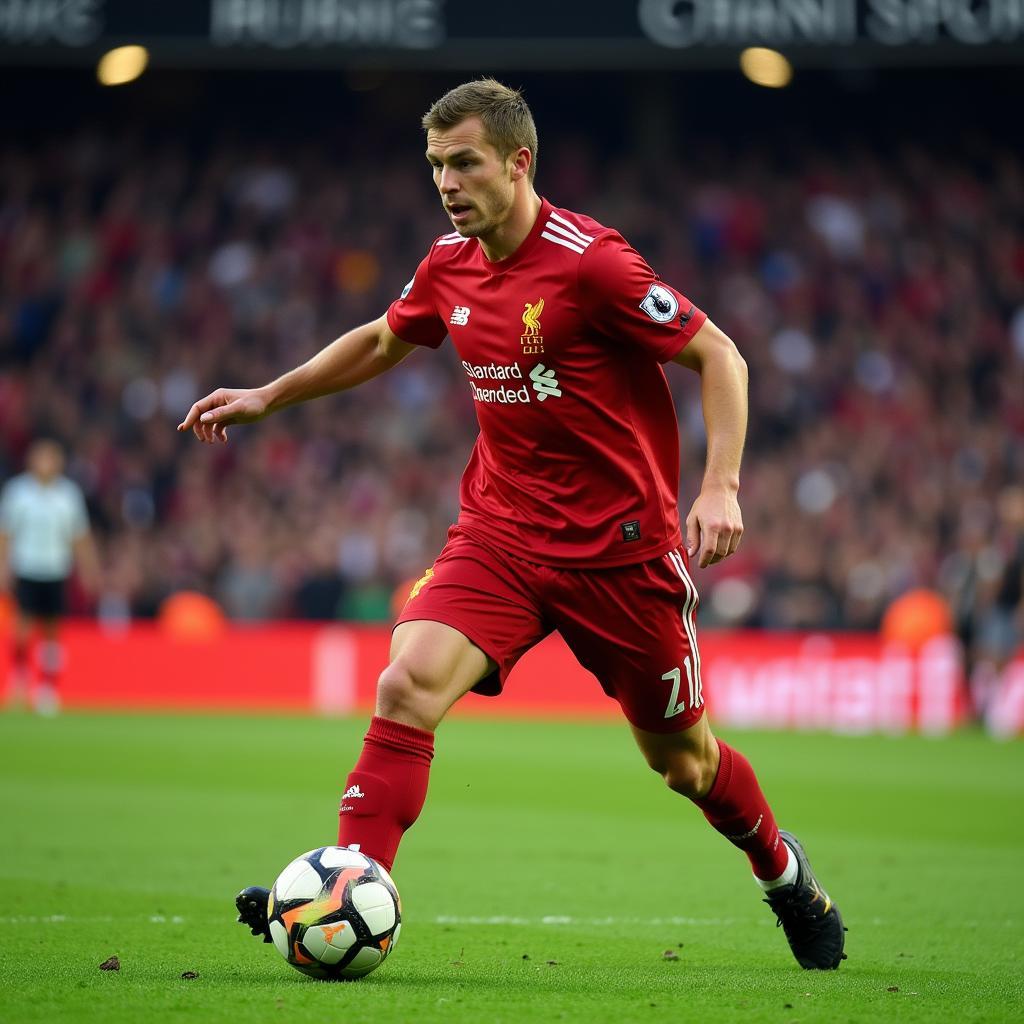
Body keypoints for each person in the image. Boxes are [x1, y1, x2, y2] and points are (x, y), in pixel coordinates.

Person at [179, 79, 845, 970]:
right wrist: (270, 394)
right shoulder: (448, 262)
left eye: (464, 163)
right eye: (435, 166)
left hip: (622, 555)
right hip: (500, 535)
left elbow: (718, 353)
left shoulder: (591, 264)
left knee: (685, 764)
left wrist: (721, 486)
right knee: (406, 684)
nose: (447, 184)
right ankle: (348, 884)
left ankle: (784, 872)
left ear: (517, 162)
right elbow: (385, 337)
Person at [0, 438, 101, 714]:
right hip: (27, 568)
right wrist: (3, 568)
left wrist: (89, 570)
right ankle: (19, 679)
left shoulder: (68, 496)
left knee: (52, 632)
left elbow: (79, 537)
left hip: (55, 569)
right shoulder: (18, 493)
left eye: (51, 458)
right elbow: (6, 535)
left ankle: (47, 688)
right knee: (21, 629)